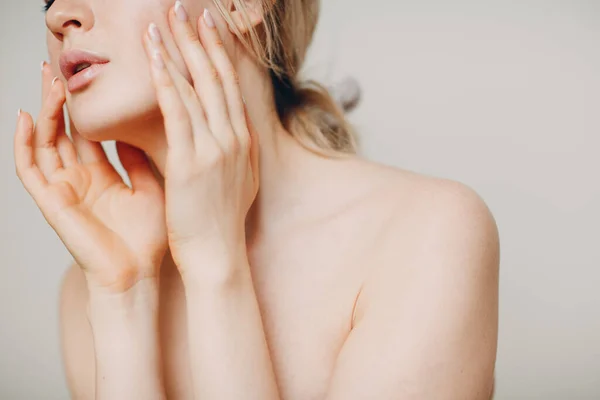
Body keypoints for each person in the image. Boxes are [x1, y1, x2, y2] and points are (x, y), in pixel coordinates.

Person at [13, 0, 500, 398]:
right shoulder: (91, 287)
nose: (60, 16)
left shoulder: (426, 236)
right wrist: (123, 298)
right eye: (48, 0)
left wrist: (215, 262)